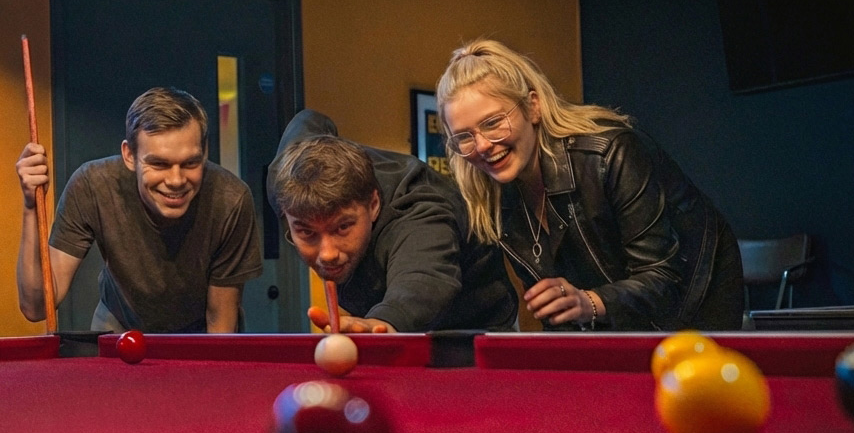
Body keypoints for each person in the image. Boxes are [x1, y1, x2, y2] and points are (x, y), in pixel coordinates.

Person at [436, 39, 743, 331]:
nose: (483, 145)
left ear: (533, 107)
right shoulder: (492, 196)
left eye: (492, 123)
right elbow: (559, 308)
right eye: (464, 137)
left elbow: (663, 276)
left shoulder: (609, 152)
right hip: (614, 325)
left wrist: (588, 302)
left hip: (697, 305)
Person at [16, 86, 263, 333]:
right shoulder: (92, 185)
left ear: (205, 152)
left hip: (199, 331)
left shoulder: (231, 200)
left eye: (190, 163)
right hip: (119, 322)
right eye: (158, 163)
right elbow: (36, 307)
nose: (176, 180)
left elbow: (219, 319)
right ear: (129, 155)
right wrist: (30, 206)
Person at [267, 109, 518, 333]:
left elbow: (423, 278)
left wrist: (384, 322)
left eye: (343, 227)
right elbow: (309, 119)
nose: (328, 253)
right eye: (307, 232)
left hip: (473, 331)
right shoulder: (288, 176)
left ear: (373, 205)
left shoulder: (418, 211)